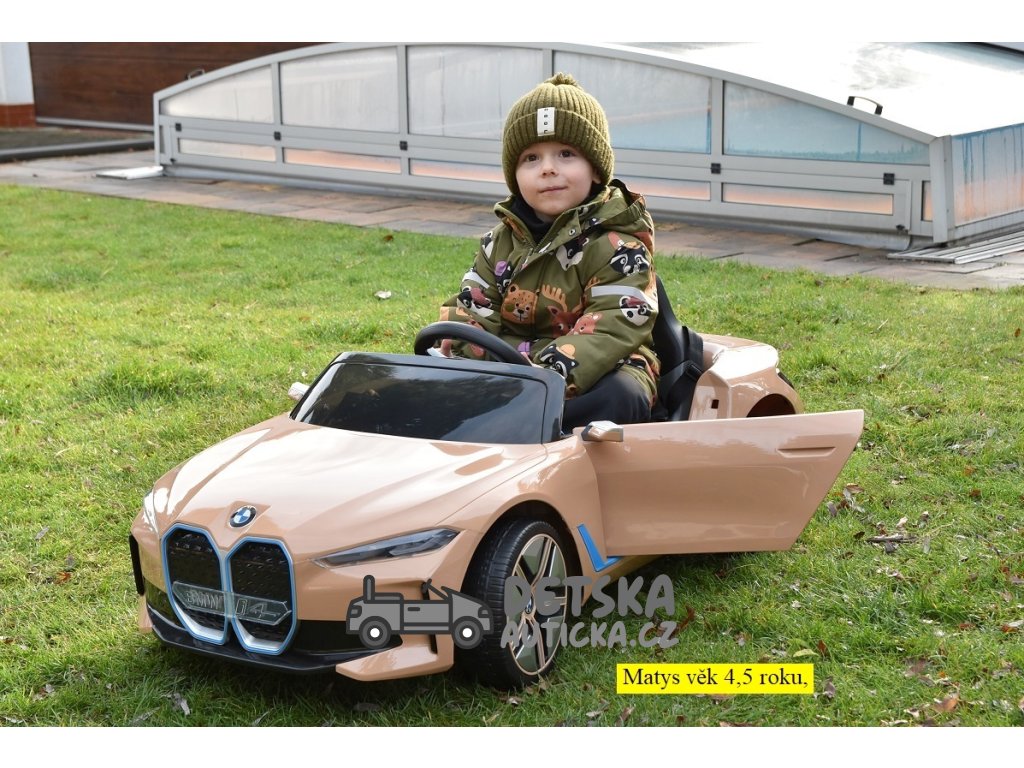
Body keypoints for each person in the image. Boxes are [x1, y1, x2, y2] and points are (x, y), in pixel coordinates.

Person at [439, 73, 659, 431]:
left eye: (566, 154)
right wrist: (463, 352)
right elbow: (473, 307)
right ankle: (499, 420)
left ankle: (536, 428)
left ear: (596, 169)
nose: (548, 168)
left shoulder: (620, 246)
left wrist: (544, 376)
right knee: (440, 378)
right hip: (514, 369)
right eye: (531, 158)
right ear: (514, 175)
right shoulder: (499, 242)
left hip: (602, 367)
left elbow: (613, 327)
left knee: (622, 394)